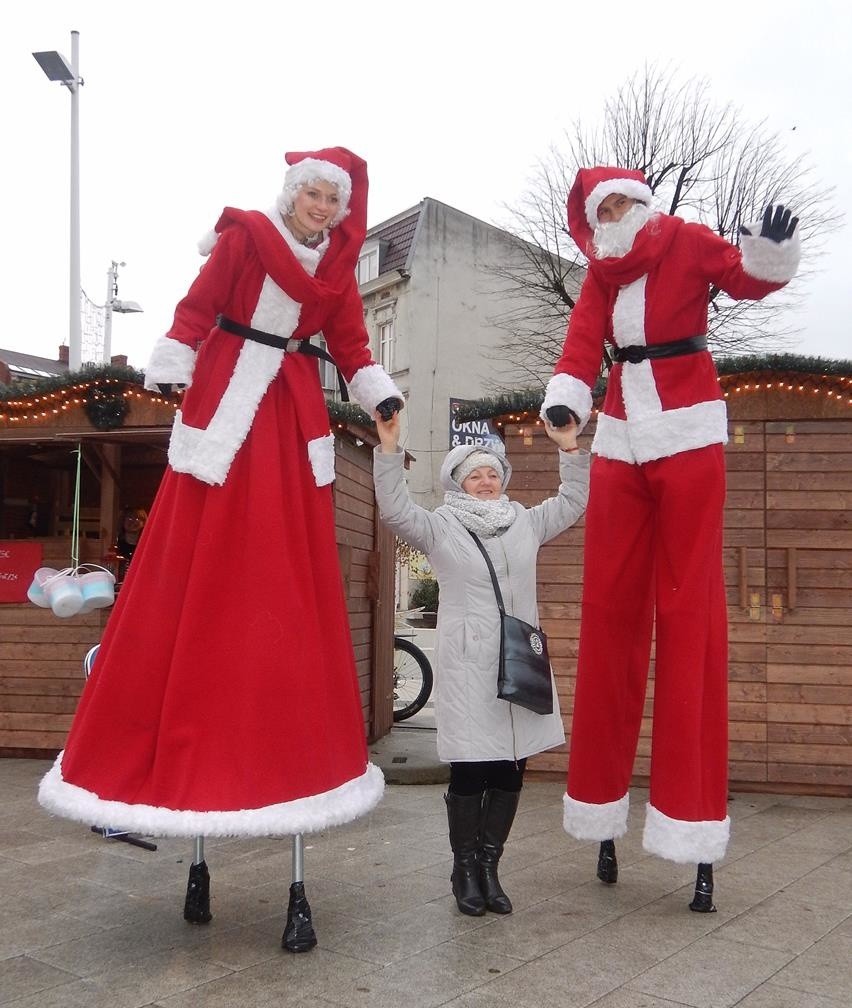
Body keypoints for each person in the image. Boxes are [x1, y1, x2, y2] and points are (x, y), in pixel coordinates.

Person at [38, 146, 403, 950]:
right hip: (228, 401)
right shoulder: (243, 239)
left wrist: (380, 395)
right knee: (198, 555)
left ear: (342, 209)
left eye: (329, 199)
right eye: (309, 192)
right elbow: (196, 309)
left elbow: (351, 345)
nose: (318, 206)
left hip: (294, 413)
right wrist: (173, 362)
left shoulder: (339, 270)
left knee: (289, 571)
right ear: (292, 193)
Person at [541, 166, 800, 911]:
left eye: (624, 202)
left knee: (690, 618)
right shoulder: (599, 274)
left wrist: (767, 253)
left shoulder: (685, 240)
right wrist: (566, 403)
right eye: (606, 207)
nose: (617, 213)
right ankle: (598, 806)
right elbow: (579, 346)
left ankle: (692, 825)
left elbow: (745, 278)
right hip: (621, 436)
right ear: (596, 218)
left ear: (644, 204)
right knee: (612, 615)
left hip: (688, 431)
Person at [373, 409, 588, 915]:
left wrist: (571, 450)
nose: (487, 481)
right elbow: (395, 509)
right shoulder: (440, 527)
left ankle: (491, 866)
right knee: (473, 768)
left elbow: (575, 500)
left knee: (513, 766)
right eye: (476, 474)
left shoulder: (527, 523)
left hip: (520, 660)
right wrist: (388, 450)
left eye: (493, 473)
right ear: (458, 482)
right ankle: (464, 868)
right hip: (470, 665)